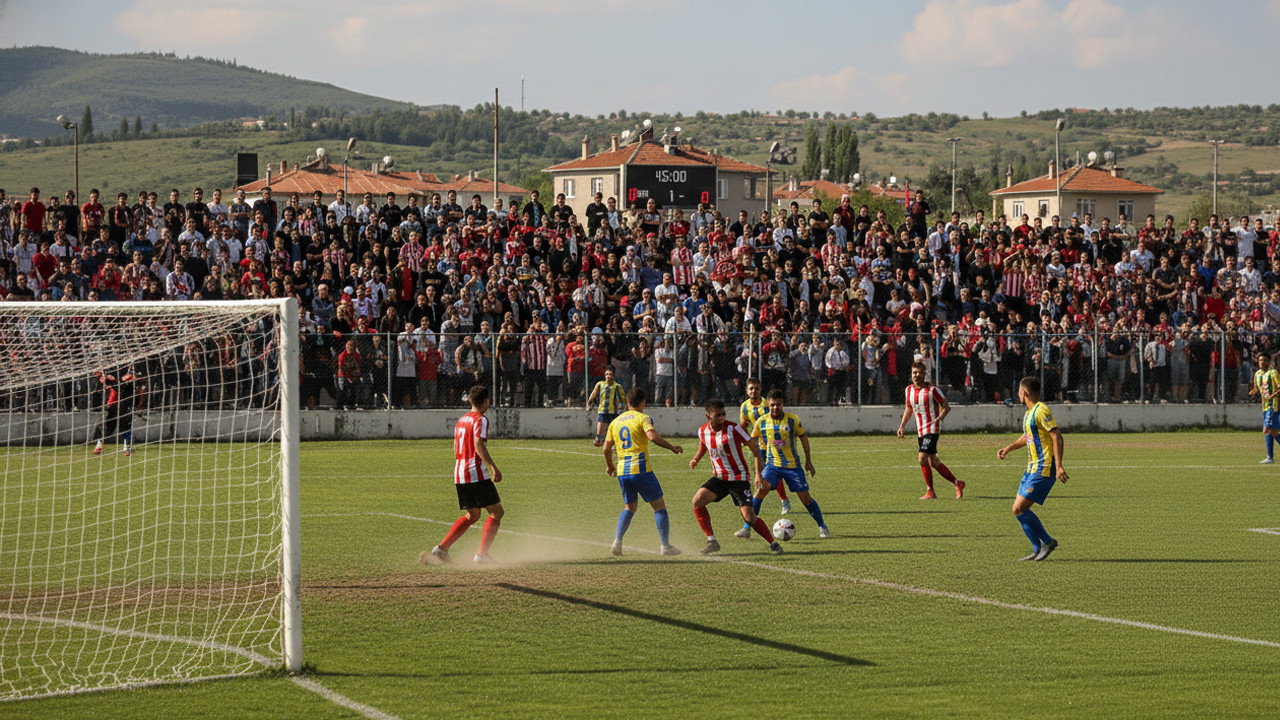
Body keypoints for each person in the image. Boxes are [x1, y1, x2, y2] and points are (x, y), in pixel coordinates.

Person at [688, 398, 783, 555]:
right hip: (719, 478)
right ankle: (712, 541)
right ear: (708, 416)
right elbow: (704, 445)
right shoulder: (702, 431)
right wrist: (696, 459)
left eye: (723, 414)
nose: (721, 418)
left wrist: (758, 475)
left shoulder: (734, 429)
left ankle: (773, 543)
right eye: (717, 415)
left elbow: (755, 451)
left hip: (738, 479)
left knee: (750, 518)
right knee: (697, 501)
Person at [424, 385, 504, 564]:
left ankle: (441, 549)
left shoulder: (461, 420)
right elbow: (478, 444)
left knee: (473, 515)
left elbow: (455, 447)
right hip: (474, 473)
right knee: (496, 512)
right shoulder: (480, 419)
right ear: (486, 401)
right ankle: (482, 556)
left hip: (459, 473)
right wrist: (492, 467)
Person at [602, 388, 684, 556]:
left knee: (629, 507)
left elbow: (606, 448)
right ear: (643, 403)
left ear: (627, 403)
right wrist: (671, 447)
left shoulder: (615, 422)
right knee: (659, 506)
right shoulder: (643, 418)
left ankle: (617, 542)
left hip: (622, 471)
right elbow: (652, 437)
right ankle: (665, 546)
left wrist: (610, 466)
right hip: (640, 469)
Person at [996, 377, 1069, 561]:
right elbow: (1027, 436)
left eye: (1019, 392)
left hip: (1044, 468)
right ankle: (1038, 548)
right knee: (1017, 510)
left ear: (1025, 393)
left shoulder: (1041, 410)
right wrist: (1009, 448)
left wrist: (1059, 466)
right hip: (1031, 468)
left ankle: (1047, 541)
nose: (1018, 395)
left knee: (1020, 507)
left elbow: (1056, 436)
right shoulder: (1029, 413)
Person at [746, 390, 829, 538]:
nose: (775, 408)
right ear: (768, 404)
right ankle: (746, 528)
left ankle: (822, 526)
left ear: (783, 404)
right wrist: (757, 466)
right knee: (760, 491)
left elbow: (803, 438)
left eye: (778, 405)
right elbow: (752, 442)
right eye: (772, 405)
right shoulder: (761, 422)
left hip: (792, 467)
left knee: (806, 498)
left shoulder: (792, 420)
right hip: (772, 466)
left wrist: (808, 461)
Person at [897, 360, 965, 500]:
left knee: (922, 457)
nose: (916, 375)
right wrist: (902, 425)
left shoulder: (932, 390)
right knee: (933, 461)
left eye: (919, 372)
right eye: (914, 373)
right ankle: (957, 483)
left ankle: (930, 491)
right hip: (921, 429)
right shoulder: (909, 390)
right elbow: (909, 408)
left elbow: (946, 406)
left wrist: (940, 418)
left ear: (924, 374)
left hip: (933, 427)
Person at [736, 377, 790, 527]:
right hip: (756, 446)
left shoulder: (768, 404)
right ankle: (773, 501)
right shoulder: (744, 406)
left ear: (760, 389)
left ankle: (782, 500)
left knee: (771, 473)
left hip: (772, 445)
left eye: (756, 388)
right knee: (760, 476)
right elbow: (743, 425)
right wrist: (744, 440)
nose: (753, 391)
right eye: (750, 388)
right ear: (747, 390)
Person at [92, 368, 145, 457]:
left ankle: (127, 447)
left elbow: (141, 394)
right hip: (115, 407)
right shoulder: (123, 381)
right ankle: (99, 444)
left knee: (126, 427)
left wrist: (139, 407)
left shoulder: (139, 385)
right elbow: (114, 385)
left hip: (126, 407)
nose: (137, 378)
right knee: (109, 428)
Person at [1249, 351, 1280, 464]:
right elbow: (1257, 388)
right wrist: (1252, 392)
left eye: (1264, 360)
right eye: (1260, 360)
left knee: (1266, 430)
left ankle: (1270, 457)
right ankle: (1270, 457)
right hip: (1265, 406)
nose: (1262, 362)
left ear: (1269, 362)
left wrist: (1272, 396)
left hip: (1274, 405)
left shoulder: (1273, 373)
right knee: (1274, 432)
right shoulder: (1257, 374)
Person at [587, 366, 626, 447]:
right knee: (598, 438)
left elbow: (623, 399)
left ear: (614, 375)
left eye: (610, 374)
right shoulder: (600, 384)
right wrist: (588, 403)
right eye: (606, 374)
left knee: (613, 430)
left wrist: (624, 407)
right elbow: (594, 394)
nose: (608, 376)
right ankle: (600, 439)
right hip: (603, 410)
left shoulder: (618, 387)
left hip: (613, 412)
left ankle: (615, 444)